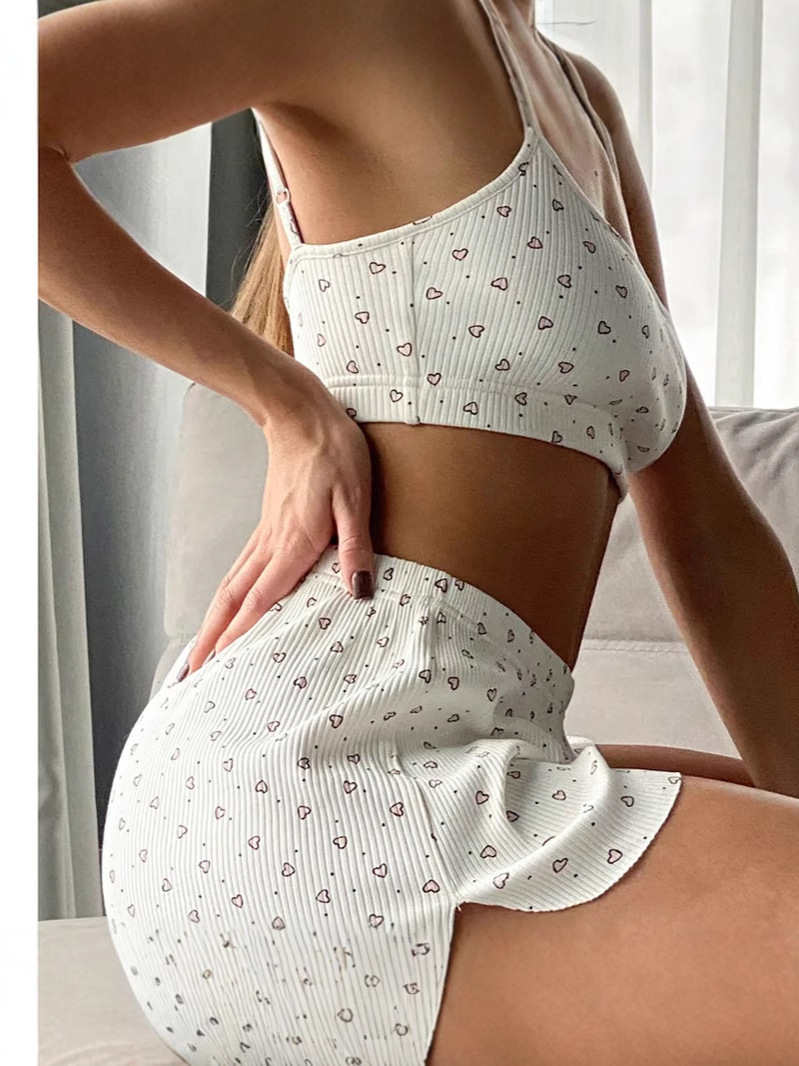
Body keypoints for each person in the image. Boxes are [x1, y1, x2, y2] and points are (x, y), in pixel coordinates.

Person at [39, 1, 799, 1063]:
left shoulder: (582, 99)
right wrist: (282, 400)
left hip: (465, 753)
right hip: (302, 792)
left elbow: (706, 526)